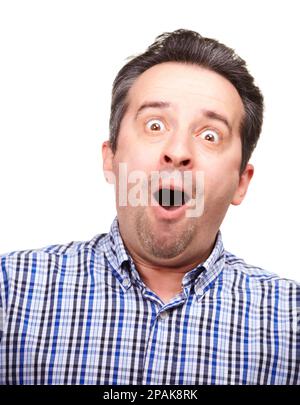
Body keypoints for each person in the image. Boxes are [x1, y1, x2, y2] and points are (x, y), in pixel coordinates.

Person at [0, 29, 299, 386]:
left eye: (209, 135)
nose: (178, 151)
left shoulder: (291, 322)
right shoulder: (11, 292)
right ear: (111, 158)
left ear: (240, 182)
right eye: (154, 124)